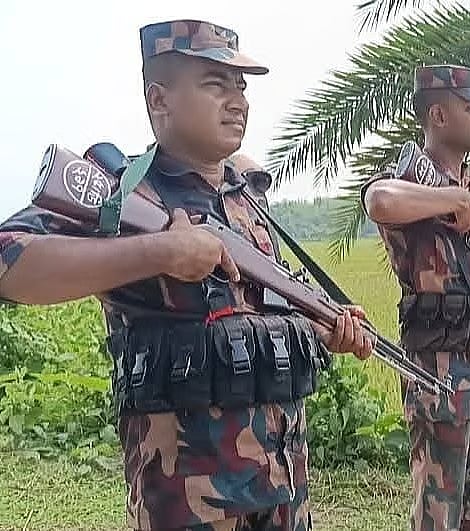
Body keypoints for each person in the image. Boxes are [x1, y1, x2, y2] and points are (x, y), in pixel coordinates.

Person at [0, 19, 373, 531]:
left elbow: (248, 315)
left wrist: (320, 328)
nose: (238, 101)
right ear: (160, 100)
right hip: (187, 501)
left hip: (285, 488)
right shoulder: (124, 196)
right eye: (215, 85)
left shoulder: (246, 201)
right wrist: (160, 252)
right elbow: (7, 261)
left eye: (241, 87)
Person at [360, 64, 470, 531]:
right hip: (441, 375)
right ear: (438, 115)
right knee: (439, 511)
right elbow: (379, 200)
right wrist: (454, 201)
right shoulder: (418, 181)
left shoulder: (468, 195)